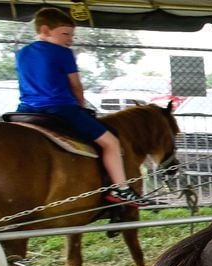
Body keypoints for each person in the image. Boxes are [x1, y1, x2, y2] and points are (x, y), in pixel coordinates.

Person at [15, 7, 146, 205]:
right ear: (44, 30)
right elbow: (76, 85)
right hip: (60, 109)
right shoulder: (63, 53)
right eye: (65, 34)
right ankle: (122, 189)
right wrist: (81, 105)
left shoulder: (22, 53)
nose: (70, 39)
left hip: (25, 111)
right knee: (111, 142)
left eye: (71, 35)